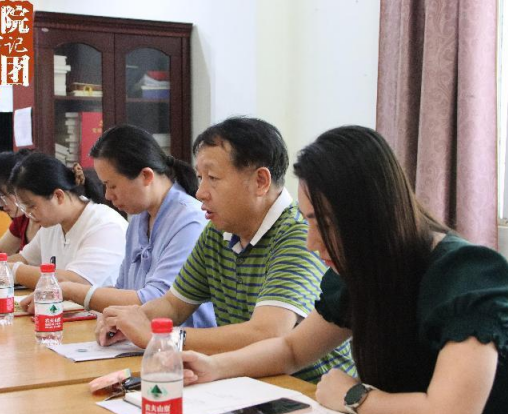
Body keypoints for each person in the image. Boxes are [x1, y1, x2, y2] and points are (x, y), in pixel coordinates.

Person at [179, 126, 508, 414]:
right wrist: (215, 366)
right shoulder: (364, 268)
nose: (312, 243)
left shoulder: (469, 276)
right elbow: (292, 349)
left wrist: (355, 396)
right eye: (309, 221)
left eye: (324, 224)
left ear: (373, 215)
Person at [96, 117, 355, 384]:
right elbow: (173, 304)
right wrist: (130, 320)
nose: (200, 192)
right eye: (200, 178)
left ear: (260, 181)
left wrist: (163, 336)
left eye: (213, 178)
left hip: (304, 390)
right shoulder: (219, 232)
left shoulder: (298, 234)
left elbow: (267, 333)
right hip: (245, 382)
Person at [20, 125, 215, 328]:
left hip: (181, 342)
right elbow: (122, 288)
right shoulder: (139, 219)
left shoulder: (189, 221)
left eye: (112, 185)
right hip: (141, 339)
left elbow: (158, 300)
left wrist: (70, 290)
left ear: (146, 176)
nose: (107, 195)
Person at [0, 153, 127, 289]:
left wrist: (10, 270)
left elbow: (75, 281)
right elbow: (25, 259)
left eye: (32, 206)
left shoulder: (105, 226)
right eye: (24, 208)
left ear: (58, 196)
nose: (28, 215)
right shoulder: (52, 225)